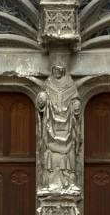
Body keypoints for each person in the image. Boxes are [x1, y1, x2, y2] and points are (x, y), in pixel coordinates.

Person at [37, 64, 81, 193]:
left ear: (63, 71)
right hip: (50, 123)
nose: (57, 72)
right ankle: (50, 182)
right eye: (55, 70)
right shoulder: (47, 84)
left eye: (60, 70)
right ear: (52, 70)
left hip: (67, 123)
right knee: (49, 151)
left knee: (69, 150)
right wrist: (42, 101)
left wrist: (76, 105)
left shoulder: (71, 85)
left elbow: (75, 98)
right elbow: (41, 101)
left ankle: (69, 181)